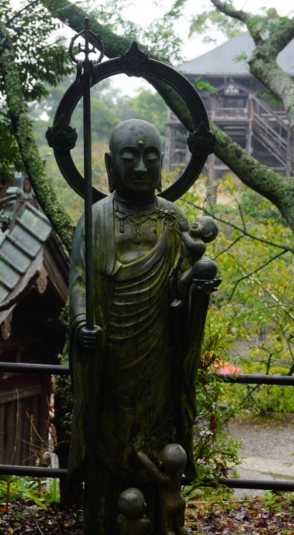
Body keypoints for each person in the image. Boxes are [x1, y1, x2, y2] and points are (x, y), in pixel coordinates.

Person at [68, 119, 217, 535]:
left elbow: (184, 278)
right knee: (109, 437)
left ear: (162, 163)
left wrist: (197, 288)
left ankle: (160, 520)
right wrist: (81, 323)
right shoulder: (95, 218)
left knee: (156, 435)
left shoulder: (172, 218)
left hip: (159, 352)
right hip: (110, 351)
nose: (140, 166)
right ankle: (103, 520)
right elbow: (79, 280)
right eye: (129, 157)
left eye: (150, 157)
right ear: (109, 164)